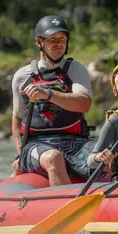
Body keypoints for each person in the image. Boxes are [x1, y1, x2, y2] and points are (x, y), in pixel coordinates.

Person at [10, 15, 95, 186]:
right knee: (54, 157)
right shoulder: (22, 76)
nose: (58, 43)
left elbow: (84, 103)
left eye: (62, 38)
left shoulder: (75, 70)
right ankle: (68, 210)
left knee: (103, 155)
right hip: (36, 145)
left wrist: (48, 94)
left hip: (75, 142)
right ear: (39, 42)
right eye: (52, 39)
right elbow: (17, 117)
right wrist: (20, 152)